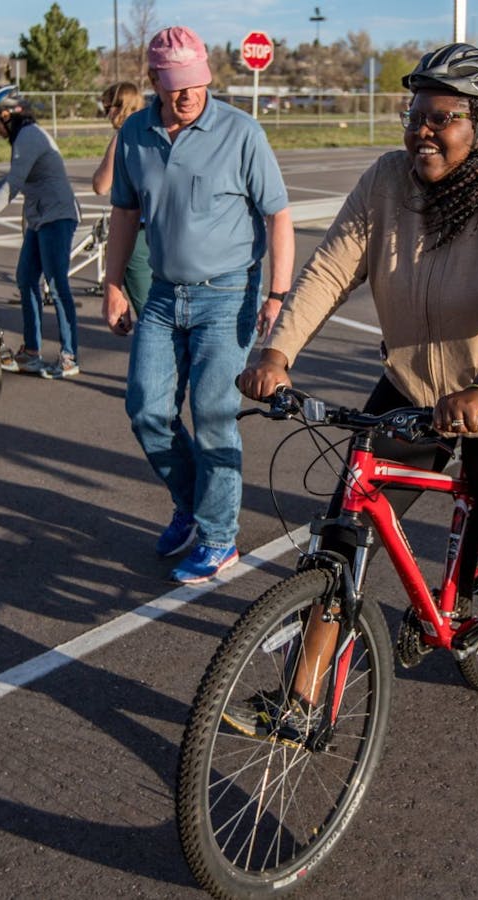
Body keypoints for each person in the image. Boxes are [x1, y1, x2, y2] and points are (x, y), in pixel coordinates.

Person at [237, 43, 478, 732]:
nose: (422, 131)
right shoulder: (387, 182)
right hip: (414, 387)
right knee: (342, 537)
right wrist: (278, 350)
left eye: (444, 117)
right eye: (415, 114)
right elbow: (328, 271)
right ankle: (301, 699)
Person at [101, 25, 295, 584]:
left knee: (213, 418)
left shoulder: (240, 131)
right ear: (154, 81)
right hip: (163, 294)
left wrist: (277, 293)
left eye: (196, 83)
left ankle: (217, 537)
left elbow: (278, 216)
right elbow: (124, 215)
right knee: (146, 410)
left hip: (228, 292)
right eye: (175, 85)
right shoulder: (136, 133)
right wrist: (113, 284)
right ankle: (192, 506)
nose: (187, 95)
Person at [0, 86, 81, 379]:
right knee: (26, 279)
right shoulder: (25, 137)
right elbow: (19, 176)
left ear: (7, 114)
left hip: (57, 216)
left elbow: (12, 186)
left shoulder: (29, 136)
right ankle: (32, 353)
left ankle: (69, 356)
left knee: (56, 284)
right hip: (40, 219)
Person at [91, 81, 150, 315]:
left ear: (120, 107)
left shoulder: (125, 135)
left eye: (108, 108)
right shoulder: (154, 127)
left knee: (150, 313)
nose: (107, 115)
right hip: (166, 231)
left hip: (137, 230)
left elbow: (100, 185)